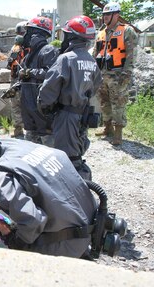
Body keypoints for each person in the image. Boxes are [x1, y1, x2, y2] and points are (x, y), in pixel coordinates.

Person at [0, 122, 98, 258]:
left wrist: (13, 240)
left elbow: (33, 221)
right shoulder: (22, 146)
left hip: (67, 243)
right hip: (91, 226)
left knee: (3, 251)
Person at [37, 16, 102, 180]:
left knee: (66, 159)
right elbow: (95, 86)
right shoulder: (92, 61)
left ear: (72, 37)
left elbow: (48, 90)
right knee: (77, 150)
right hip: (83, 114)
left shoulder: (66, 59)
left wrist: (44, 107)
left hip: (66, 116)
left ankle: (75, 194)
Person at [92, 2, 138, 145]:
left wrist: (127, 73)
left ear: (116, 15)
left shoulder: (127, 30)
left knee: (118, 103)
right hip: (102, 74)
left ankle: (118, 133)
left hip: (118, 74)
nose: (105, 17)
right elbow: (95, 54)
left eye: (108, 14)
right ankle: (108, 128)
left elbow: (131, 54)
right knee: (104, 102)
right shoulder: (100, 33)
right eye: (104, 14)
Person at [19, 17, 59, 145]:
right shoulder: (29, 55)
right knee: (30, 151)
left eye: (28, 32)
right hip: (29, 109)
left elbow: (51, 74)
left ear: (36, 34)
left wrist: (30, 72)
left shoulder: (49, 51)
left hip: (42, 109)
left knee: (49, 150)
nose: (25, 36)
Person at [6, 35, 25, 137]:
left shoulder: (18, 49)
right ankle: (18, 130)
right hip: (18, 80)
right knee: (15, 104)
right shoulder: (16, 49)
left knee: (15, 105)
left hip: (20, 80)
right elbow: (9, 64)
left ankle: (19, 129)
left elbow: (9, 65)